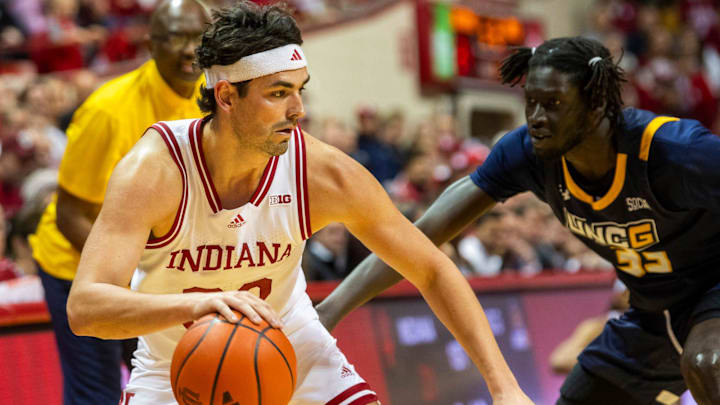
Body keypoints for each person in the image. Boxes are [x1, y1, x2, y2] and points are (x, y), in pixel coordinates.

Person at [66, 2, 533, 404]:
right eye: (278, 93)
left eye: (299, 89)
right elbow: (85, 309)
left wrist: (505, 387)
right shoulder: (155, 169)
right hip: (176, 365)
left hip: (291, 346)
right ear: (227, 95)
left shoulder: (321, 172)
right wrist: (199, 307)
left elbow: (431, 269)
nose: (298, 110)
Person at [315, 36, 720, 405]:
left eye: (554, 104)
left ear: (596, 103)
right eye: (531, 101)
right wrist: (328, 312)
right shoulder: (526, 153)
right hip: (652, 315)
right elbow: (413, 239)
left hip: (711, 294)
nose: (537, 117)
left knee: (707, 362)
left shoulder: (675, 152)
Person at [28, 1, 210, 403]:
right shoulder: (108, 111)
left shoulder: (212, 98)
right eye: (176, 36)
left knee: (168, 385)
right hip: (75, 267)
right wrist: (136, 277)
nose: (188, 49)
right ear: (150, 43)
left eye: (198, 37)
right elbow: (69, 215)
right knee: (98, 393)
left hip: (150, 273)